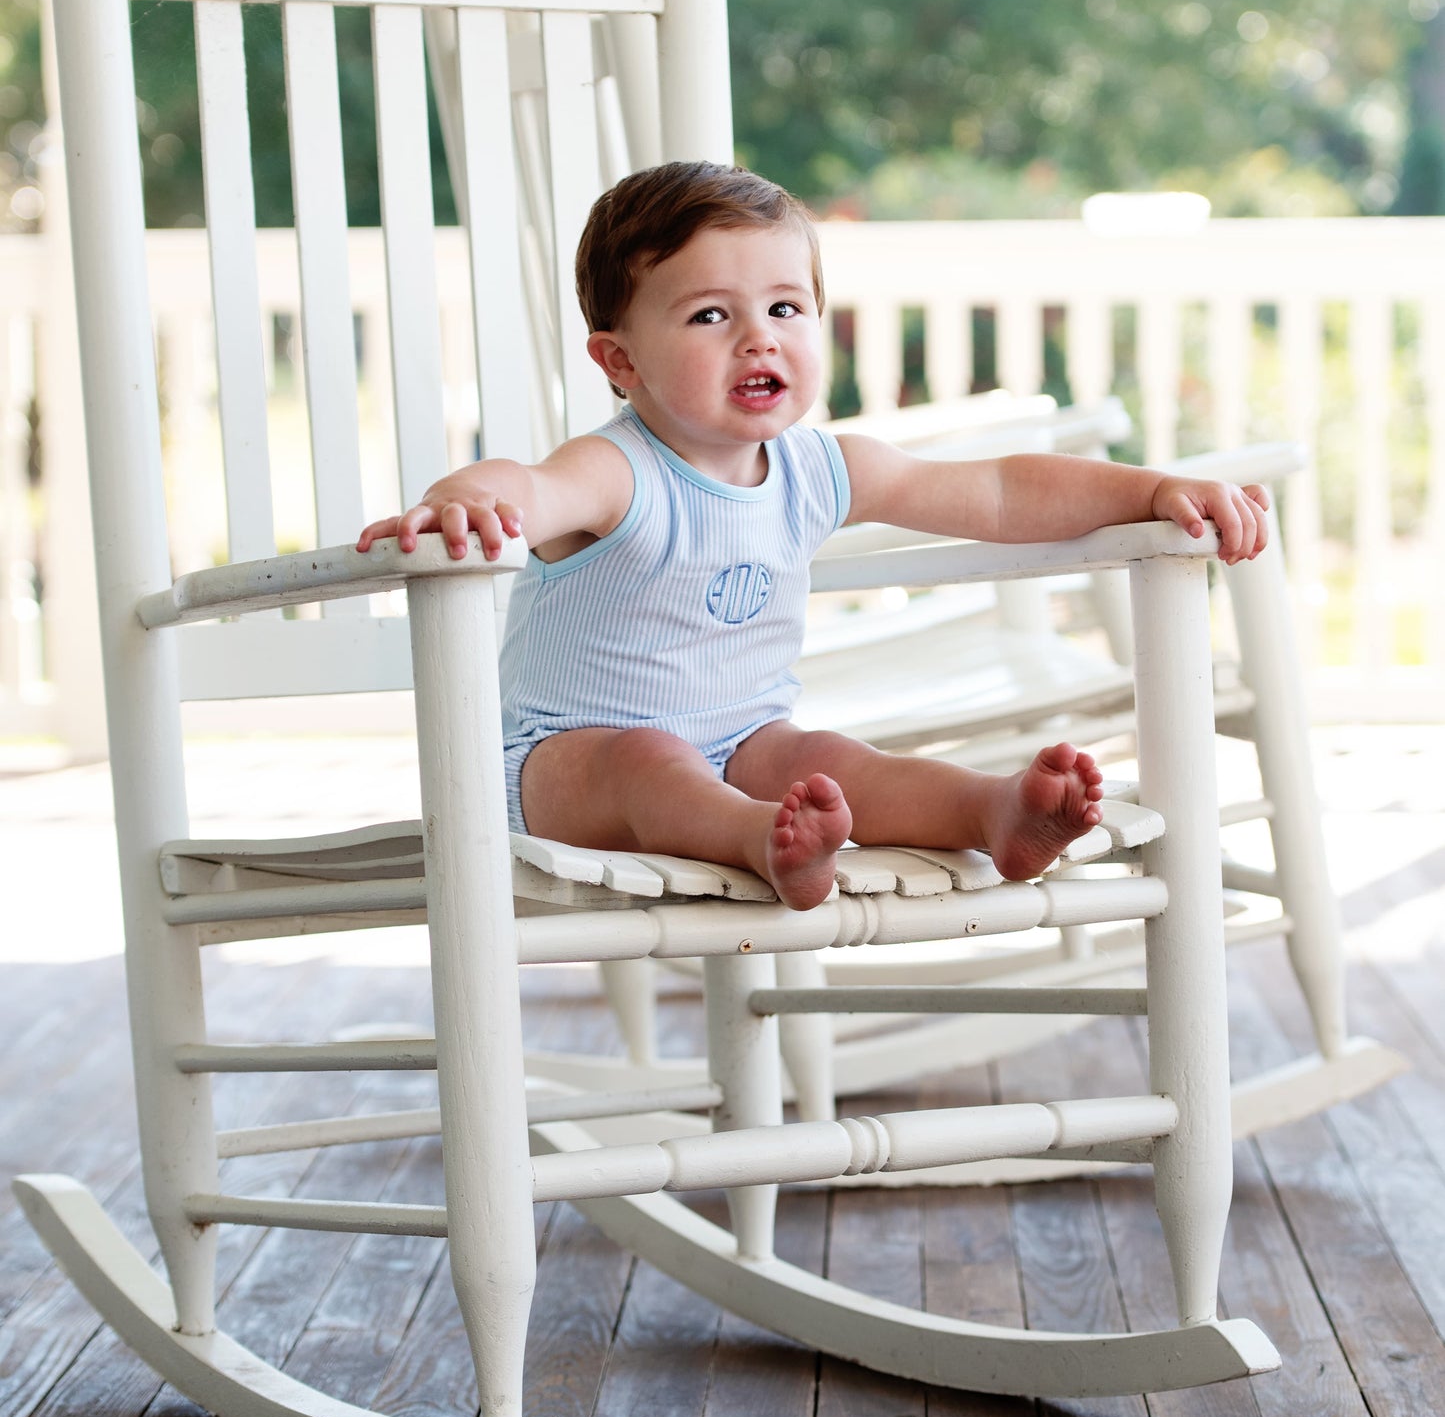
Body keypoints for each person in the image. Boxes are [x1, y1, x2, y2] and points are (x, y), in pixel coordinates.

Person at [358, 162, 1269, 911]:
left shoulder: (816, 468)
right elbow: (523, 485)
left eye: (785, 309)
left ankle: (989, 810)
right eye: (710, 315)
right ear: (620, 360)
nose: (758, 339)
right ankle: (761, 841)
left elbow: (996, 489)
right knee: (652, 761)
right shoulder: (616, 471)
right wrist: (458, 499)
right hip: (562, 767)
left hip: (746, 741)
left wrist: (1154, 487)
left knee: (828, 760)